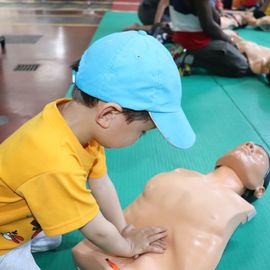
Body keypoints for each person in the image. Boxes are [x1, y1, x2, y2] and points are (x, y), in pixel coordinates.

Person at [0, 30, 195, 270]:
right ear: (108, 114)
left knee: (56, 231)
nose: (139, 138)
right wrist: (128, 247)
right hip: (3, 243)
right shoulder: (53, 160)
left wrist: (122, 228)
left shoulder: (77, 127)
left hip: (16, 212)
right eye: (142, 131)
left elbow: (101, 183)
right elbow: (95, 231)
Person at [72, 142, 270, 270]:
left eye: (259, 154)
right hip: (99, 249)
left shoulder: (235, 207)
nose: (250, 146)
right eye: (248, 144)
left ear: (259, 190)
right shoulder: (179, 173)